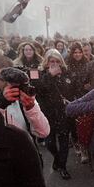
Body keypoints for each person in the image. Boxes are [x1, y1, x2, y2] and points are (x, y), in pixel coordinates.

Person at [36, 49, 75, 179]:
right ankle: (57, 158)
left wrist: (60, 78)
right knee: (50, 142)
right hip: (48, 113)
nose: (54, 64)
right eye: (51, 61)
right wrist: (50, 76)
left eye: (57, 61)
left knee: (64, 140)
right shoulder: (40, 73)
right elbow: (38, 90)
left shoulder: (66, 73)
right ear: (46, 62)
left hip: (63, 113)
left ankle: (63, 166)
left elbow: (70, 91)